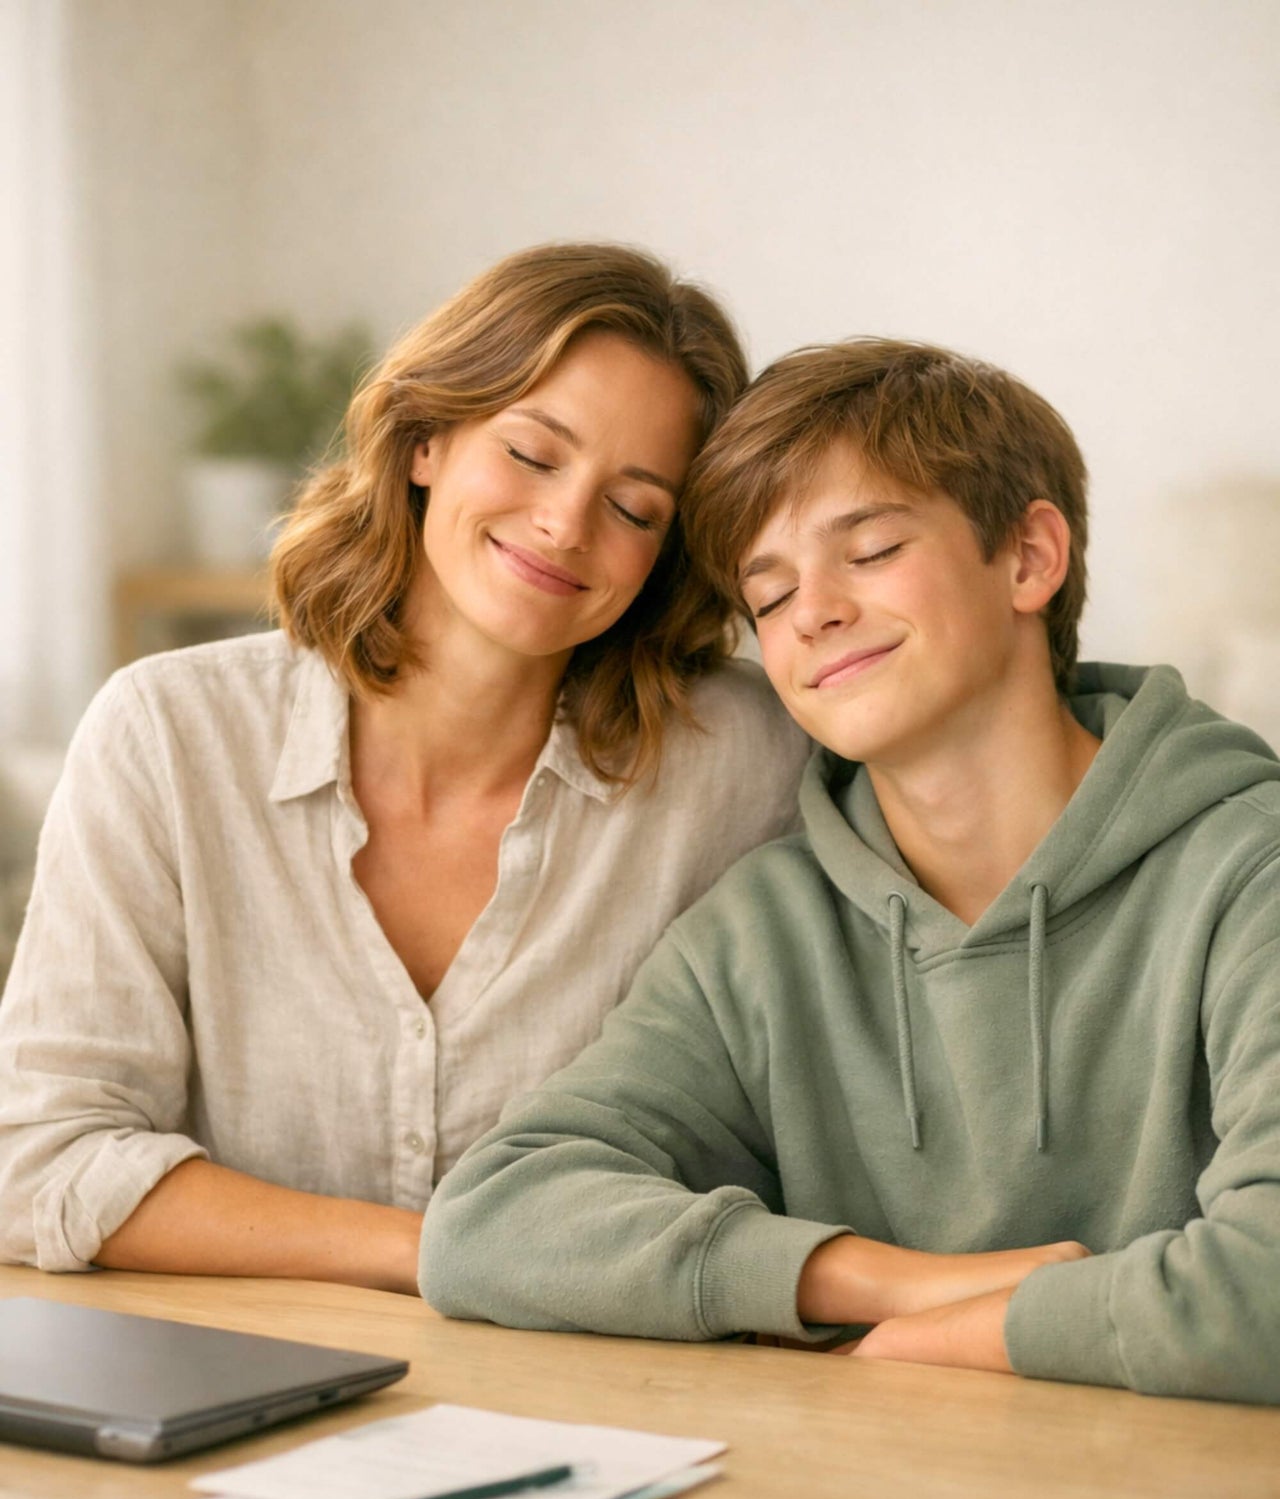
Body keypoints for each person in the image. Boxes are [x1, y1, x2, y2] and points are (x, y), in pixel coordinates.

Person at [420, 337, 1280, 1403]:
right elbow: (490, 1221)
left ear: (1027, 558)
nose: (812, 612)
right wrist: (890, 1286)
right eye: (768, 595)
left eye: (867, 550)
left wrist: (942, 1341)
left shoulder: (1250, 869)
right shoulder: (762, 928)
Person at [0, 243, 811, 1293]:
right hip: (243, 1392)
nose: (565, 523)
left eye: (634, 507)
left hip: (619, 1392)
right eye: (531, 453)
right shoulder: (166, 736)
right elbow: (41, 1158)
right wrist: (444, 1257)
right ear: (426, 438)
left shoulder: (741, 763)